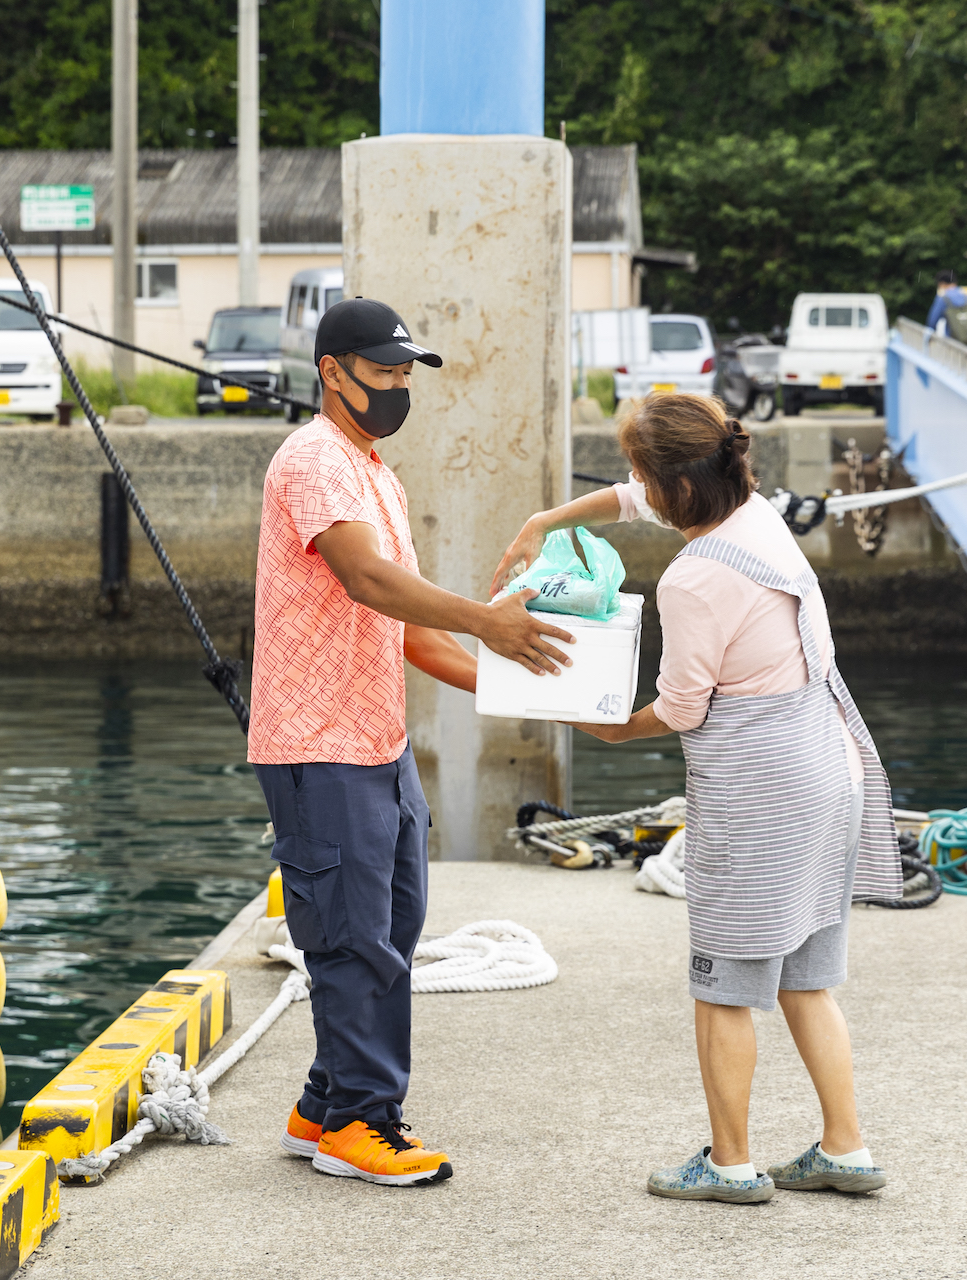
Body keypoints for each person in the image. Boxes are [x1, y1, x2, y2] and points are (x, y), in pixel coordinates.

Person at [490, 393, 904, 1204]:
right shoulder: (755, 515)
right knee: (806, 980)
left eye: (643, 471)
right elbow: (631, 498)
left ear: (677, 485)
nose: (634, 488)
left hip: (762, 795)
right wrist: (546, 518)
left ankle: (730, 1164)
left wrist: (604, 724)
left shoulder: (694, 579)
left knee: (722, 988)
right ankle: (846, 1150)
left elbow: (680, 708)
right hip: (832, 769)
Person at [250, 297, 572, 1188]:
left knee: (392, 926)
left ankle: (322, 1106)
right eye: (384, 372)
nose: (397, 387)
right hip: (317, 743)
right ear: (332, 372)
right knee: (352, 939)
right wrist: (489, 619)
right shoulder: (312, 458)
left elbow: (413, 633)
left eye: (404, 374)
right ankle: (362, 1122)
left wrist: (534, 687)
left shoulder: (376, 474)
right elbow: (366, 579)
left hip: (375, 740)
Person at [924, 270, 967, 342]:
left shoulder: (943, 298)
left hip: (952, 341)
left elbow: (932, 321)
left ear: (941, 284)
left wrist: (930, 336)